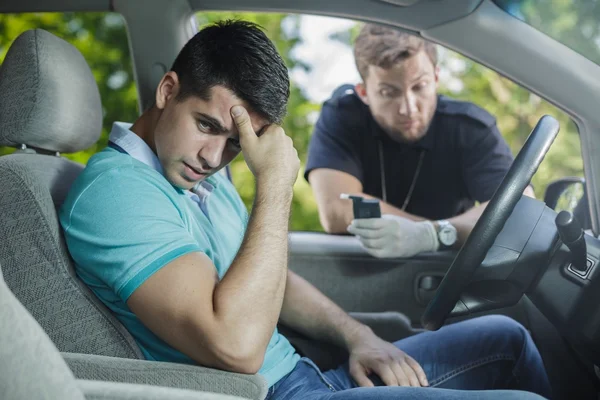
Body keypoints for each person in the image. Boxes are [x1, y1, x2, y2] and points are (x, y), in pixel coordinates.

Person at [59, 20, 550, 400]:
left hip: (305, 375)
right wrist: (274, 181)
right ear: (168, 92)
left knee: (506, 337)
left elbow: (274, 281)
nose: (213, 158)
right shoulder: (118, 192)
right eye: (206, 125)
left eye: (236, 144)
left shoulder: (194, 176)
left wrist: (360, 337)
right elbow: (237, 345)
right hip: (270, 392)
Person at [305, 24, 534, 259]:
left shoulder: (470, 128)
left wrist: (430, 235)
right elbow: (337, 209)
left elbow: (520, 210)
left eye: (419, 86)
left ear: (435, 77)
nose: (408, 108)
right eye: (388, 92)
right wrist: (456, 229)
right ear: (364, 93)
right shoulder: (343, 116)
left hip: (445, 273)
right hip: (363, 270)